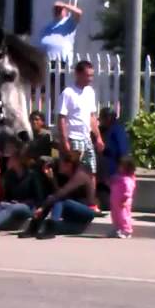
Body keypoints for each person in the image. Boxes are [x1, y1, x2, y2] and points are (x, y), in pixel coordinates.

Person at [22, 152, 100, 240]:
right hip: (73, 209)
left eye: (61, 163)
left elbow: (61, 194)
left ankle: (51, 229)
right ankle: (34, 227)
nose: (59, 165)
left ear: (69, 165)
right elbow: (58, 193)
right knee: (54, 199)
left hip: (87, 211)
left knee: (58, 200)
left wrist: (43, 207)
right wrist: (52, 179)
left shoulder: (80, 176)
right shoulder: (68, 174)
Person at [57, 60, 101, 206]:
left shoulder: (90, 92)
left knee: (92, 170)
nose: (90, 79)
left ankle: (91, 203)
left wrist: (98, 137)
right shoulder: (68, 93)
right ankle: (68, 202)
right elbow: (62, 118)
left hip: (86, 138)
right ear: (78, 74)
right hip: (73, 137)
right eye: (87, 75)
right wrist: (65, 141)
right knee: (75, 173)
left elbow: (92, 117)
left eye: (92, 75)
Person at [96, 106, 130, 206]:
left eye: (101, 119)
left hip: (112, 171)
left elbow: (122, 151)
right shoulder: (104, 130)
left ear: (108, 118)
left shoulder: (117, 130)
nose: (100, 121)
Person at [110, 156, 138, 239]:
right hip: (115, 200)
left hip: (123, 201)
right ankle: (117, 229)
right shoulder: (119, 177)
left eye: (122, 166)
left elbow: (129, 190)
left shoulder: (128, 179)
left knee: (124, 216)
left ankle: (127, 230)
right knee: (115, 216)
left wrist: (125, 198)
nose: (120, 167)